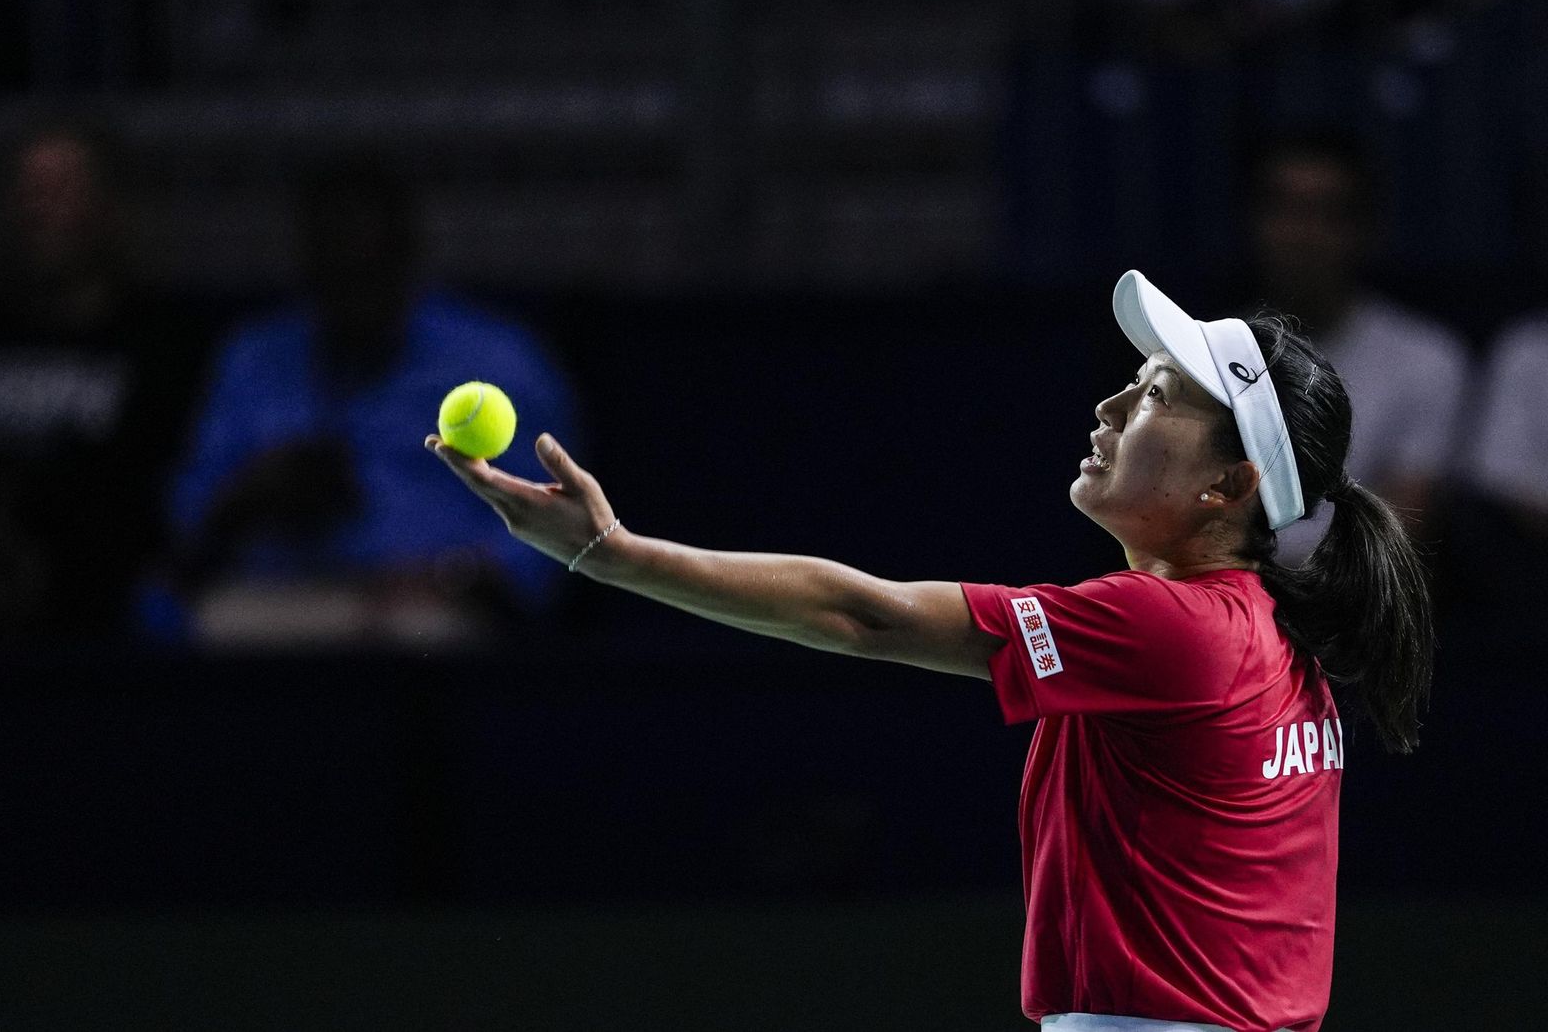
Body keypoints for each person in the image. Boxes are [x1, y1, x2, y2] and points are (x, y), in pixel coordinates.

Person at [426, 271, 1433, 1032]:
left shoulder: (1172, 628)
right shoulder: (1273, 637)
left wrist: (612, 554)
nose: (1111, 409)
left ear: (1228, 486)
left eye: (1157, 396)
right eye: (1132, 382)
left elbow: (864, 616)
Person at [169, 155, 579, 648]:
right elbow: (188, 519)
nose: (355, 286)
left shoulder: (497, 361)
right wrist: (253, 494)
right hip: (289, 596)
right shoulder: (253, 358)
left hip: (434, 605)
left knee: (422, 631)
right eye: (337, 269)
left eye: (370, 268)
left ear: (405, 256)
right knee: (212, 622)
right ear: (309, 264)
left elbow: (553, 526)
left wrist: (451, 576)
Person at [0, 121, 208, 643]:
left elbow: (166, 503)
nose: (40, 208)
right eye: (29, 190)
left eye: (63, 189)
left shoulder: (161, 345)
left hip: (105, 626)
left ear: (110, 209)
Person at [1241, 132, 1471, 564]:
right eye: (1285, 209)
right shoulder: (1201, 355)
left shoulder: (1427, 359)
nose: (1303, 235)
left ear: (1366, 229)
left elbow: (1398, 527)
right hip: (1218, 596)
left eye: (1327, 213)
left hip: (1352, 598)